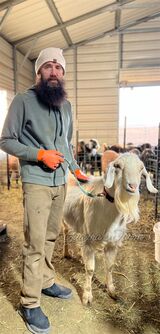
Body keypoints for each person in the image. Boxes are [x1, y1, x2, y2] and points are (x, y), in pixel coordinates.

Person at [0, 47, 89, 334]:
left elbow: (64, 143)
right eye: (48, 66)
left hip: (61, 181)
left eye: (59, 67)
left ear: (63, 74)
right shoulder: (23, 101)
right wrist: (39, 155)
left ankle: (47, 281)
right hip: (37, 181)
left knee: (51, 236)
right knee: (35, 242)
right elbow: (6, 140)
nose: (54, 71)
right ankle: (29, 302)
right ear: (39, 71)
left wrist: (75, 169)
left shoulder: (67, 105)